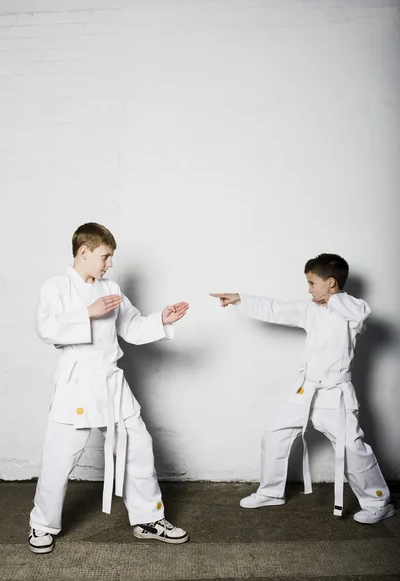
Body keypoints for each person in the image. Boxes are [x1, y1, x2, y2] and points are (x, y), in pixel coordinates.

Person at [29, 222, 190, 554]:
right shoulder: (56, 286)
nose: (109, 263)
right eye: (105, 256)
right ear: (84, 252)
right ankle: (42, 525)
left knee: (139, 446)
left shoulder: (109, 288)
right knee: (60, 456)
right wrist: (87, 313)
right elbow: (46, 328)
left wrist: (162, 319)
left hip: (111, 379)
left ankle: (148, 519)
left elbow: (130, 327)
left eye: (111, 257)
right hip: (76, 380)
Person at [210, 253, 395, 524]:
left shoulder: (353, 310)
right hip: (304, 390)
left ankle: (379, 502)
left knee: (352, 449)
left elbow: (360, 313)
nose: (308, 289)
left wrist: (332, 299)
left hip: (335, 395)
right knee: (274, 434)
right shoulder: (310, 309)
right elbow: (276, 308)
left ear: (331, 283)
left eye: (312, 283)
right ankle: (271, 492)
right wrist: (241, 298)